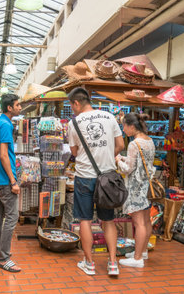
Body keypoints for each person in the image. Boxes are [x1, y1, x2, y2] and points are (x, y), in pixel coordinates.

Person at [67, 87, 124, 276]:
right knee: (108, 220)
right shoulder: (109, 117)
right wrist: (108, 156)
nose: (72, 109)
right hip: (107, 178)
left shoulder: (73, 123)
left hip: (84, 177)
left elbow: (74, 153)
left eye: (71, 105)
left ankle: (89, 263)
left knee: (85, 220)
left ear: (76, 103)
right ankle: (113, 263)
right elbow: (121, 145)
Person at [116, 113, 155, 268]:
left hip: (136, 188)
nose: (123, 129)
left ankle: (137, 259)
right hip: (146, 186)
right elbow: (141, 162)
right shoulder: (149, 141)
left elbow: (128, 169)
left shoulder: (134, 144)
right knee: (146, 220)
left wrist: (119, 160)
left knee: (138, 223)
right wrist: (125, 158)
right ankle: (143, 251)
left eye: (124, 126)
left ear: (132, 126)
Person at [0, 94, 22, 273]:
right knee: (12, 217)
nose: (20, 108)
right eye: (17, 105)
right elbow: (3, 155)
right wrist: (13, 180)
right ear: (9, 108)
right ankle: (4, 258)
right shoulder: (6, 125)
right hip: (4, 179)